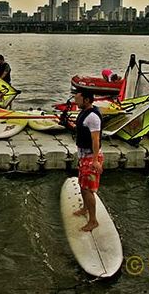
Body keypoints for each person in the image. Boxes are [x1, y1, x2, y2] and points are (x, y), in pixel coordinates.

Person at [64, 88, 104, 232]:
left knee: (88, 190)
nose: (75, 101)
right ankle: (85, 208)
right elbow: (81, 129)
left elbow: (95, 139)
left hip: (91, 156)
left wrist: (95, 161)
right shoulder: (84, 112)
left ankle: (93, 221)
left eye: (78, 99)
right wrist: (68, 124)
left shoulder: (93, 117)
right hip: (83, 155)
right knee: (82, 185)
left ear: (86, 100)